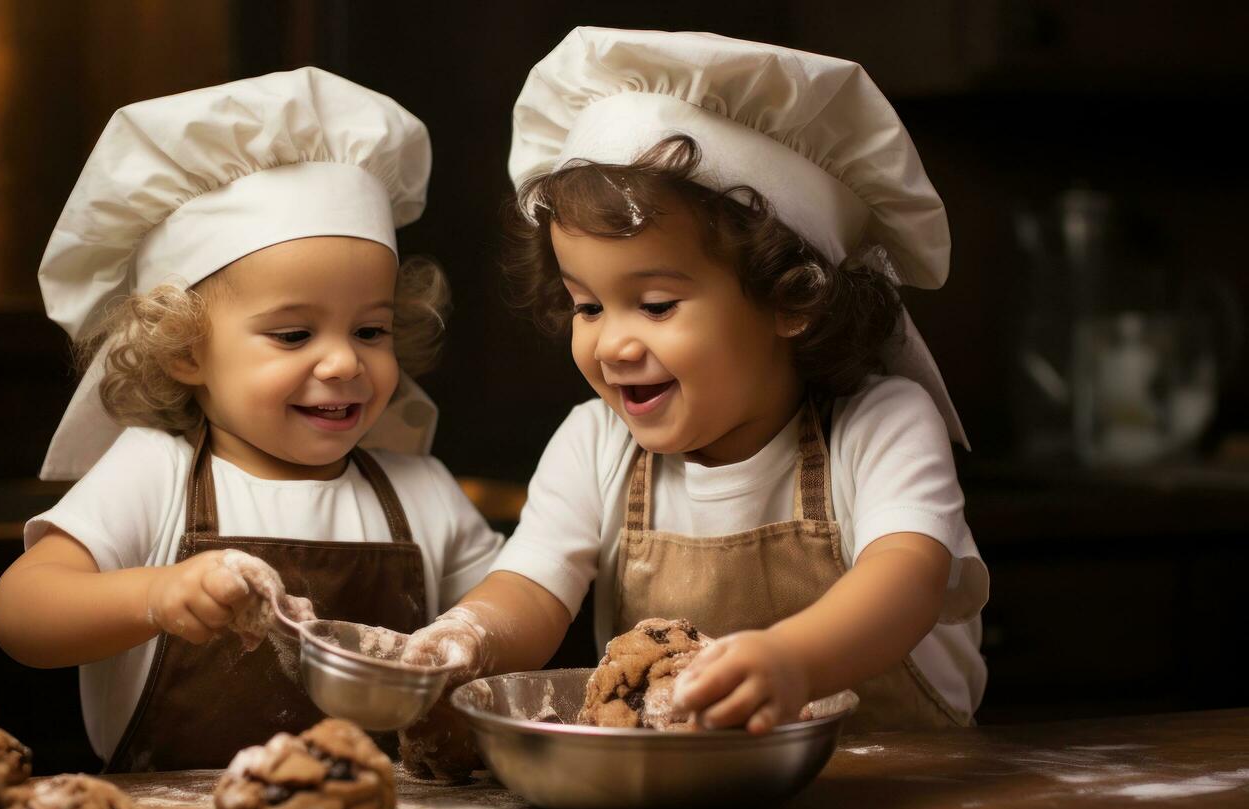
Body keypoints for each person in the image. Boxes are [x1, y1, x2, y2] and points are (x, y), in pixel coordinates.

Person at [404, 28, 988, 756]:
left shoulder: (879, 424)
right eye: (587, 306)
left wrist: (794, 660)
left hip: (903, 792)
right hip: (682, 803)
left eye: (654, 305)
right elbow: (530, 587)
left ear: (791, 296)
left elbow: (905, 578)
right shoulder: (594, 443)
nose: (612, 344)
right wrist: (462, 640)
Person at [0, 70, 501, 773]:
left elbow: (509, 619)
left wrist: (472, 644)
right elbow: (22, 614)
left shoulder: (421, 491)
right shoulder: (154, 470)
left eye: (370, 330)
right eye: (293, 336)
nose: (343, 363)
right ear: (184, 349)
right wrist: (154, 594)